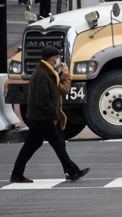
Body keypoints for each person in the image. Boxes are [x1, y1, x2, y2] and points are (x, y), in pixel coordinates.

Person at [10, 46, 89, 183]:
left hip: (41, 117)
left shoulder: (50, 72)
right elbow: (42, 101)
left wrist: (65, 75)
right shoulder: (42, 74)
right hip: (43, 118)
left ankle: (16, 175)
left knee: (32, 145)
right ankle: (73, 172)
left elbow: (62, 91)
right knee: (58, 144)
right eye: (57, 57)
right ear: (52, 57)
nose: (59, 59)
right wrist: (54, 115)